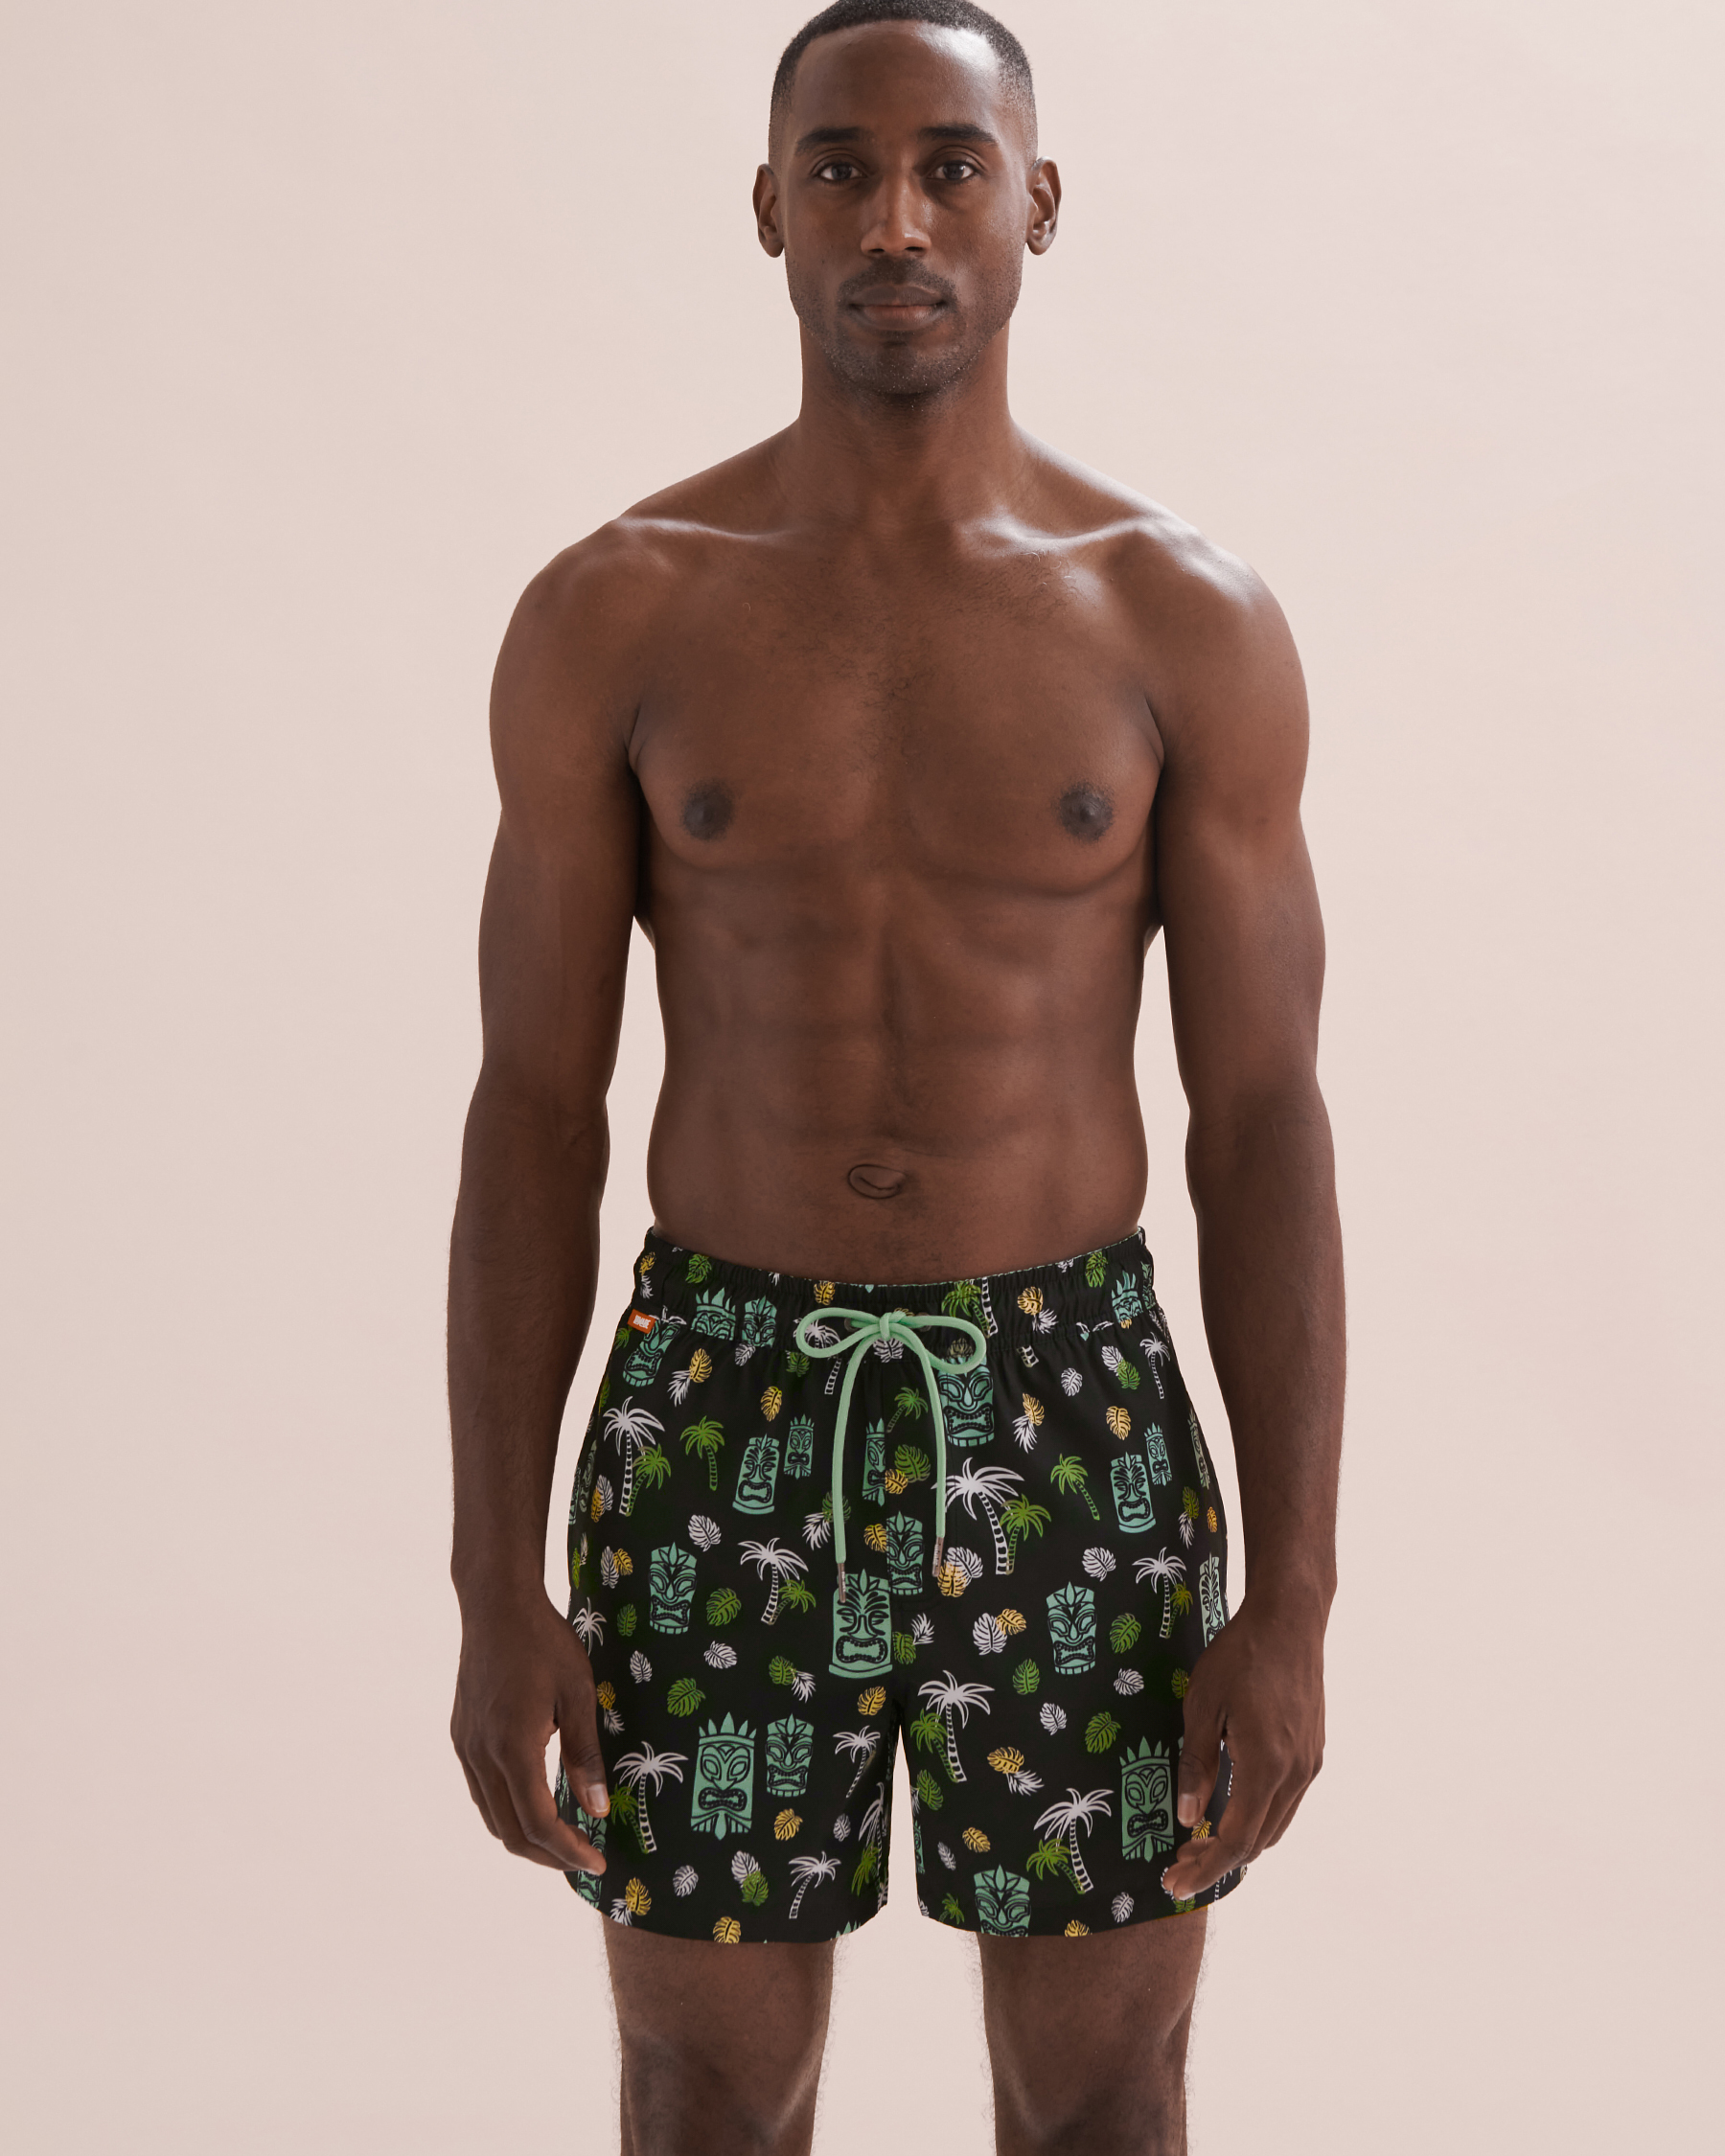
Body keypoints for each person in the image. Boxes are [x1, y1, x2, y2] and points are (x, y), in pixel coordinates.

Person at [448, 3, 1343, 2149]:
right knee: (701, 2088)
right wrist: (492, 1581)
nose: (897, 222)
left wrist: (1295, 1596)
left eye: (952, 166)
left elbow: (1262, 1125)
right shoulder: (617, 611)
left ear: (1040, 201)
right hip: (715, 1408)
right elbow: (533, 1115)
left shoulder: (1177, 619)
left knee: (1104, 2090)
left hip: (1070, 1416)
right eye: (842, 170)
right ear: (770, 209)